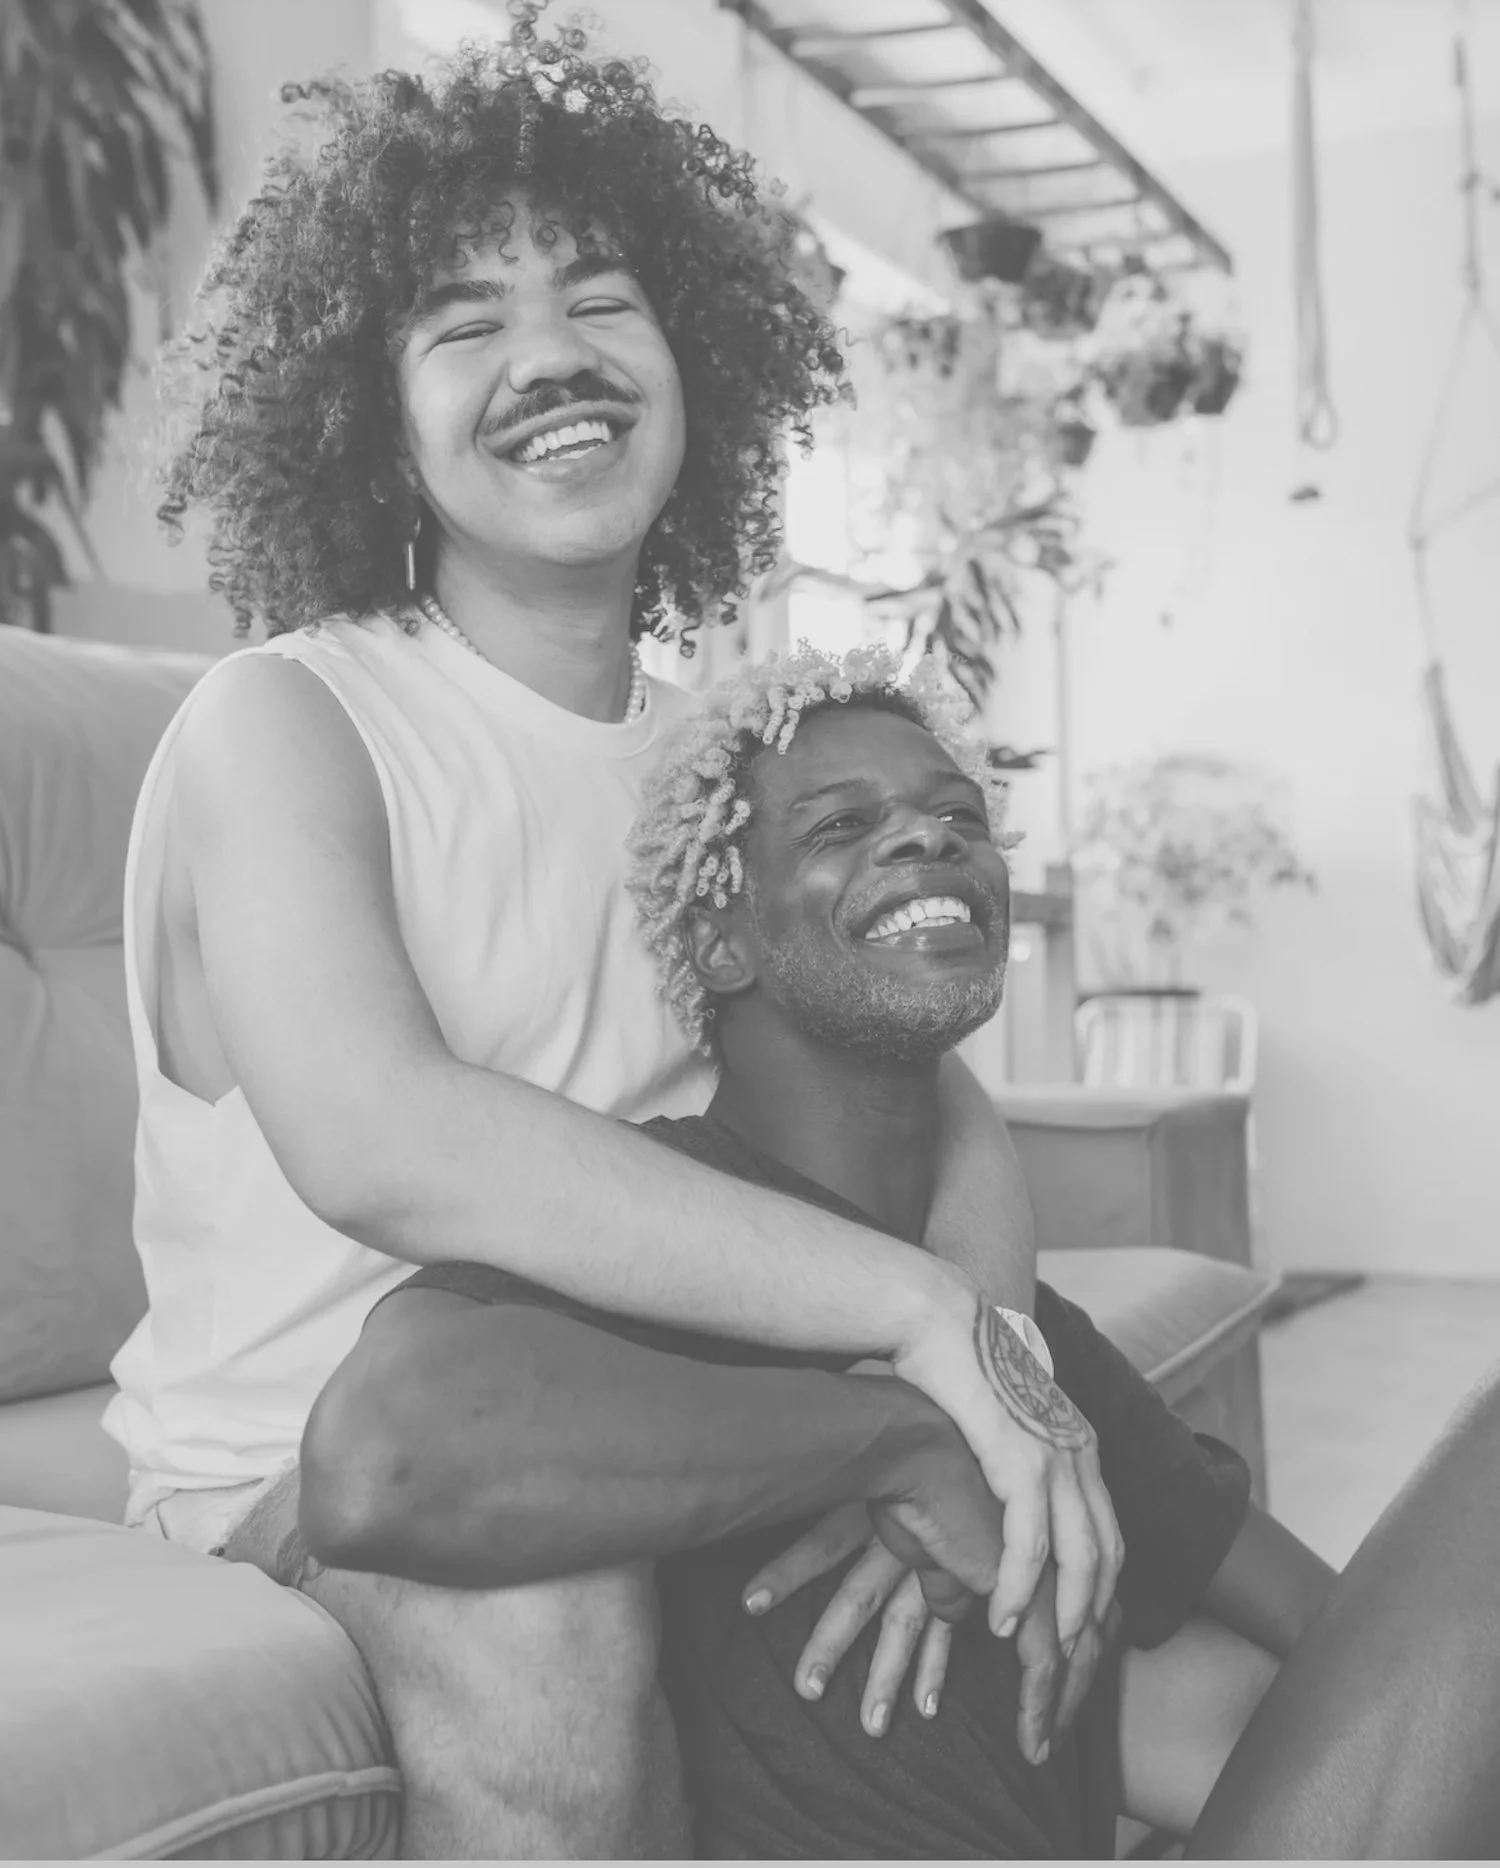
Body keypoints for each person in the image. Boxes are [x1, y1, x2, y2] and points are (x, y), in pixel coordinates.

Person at [110, 6, 1118, 1856]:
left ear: (695, 354)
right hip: (343, 1464)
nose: (547, 359)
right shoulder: (284, 724)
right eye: (462, 323)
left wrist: (985, 1368)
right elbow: (385, 1143)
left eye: (600, 298)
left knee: (1135, 1623)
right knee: (546, 1587)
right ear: (368, 408)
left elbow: (938, 1094)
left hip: (675, 1405)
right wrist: (907, 1323)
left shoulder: (710, 754)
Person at [301, 645, 1500, 1859]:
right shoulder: (666, 1227)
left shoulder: (1016, 1344)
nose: (927, 840)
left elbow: (1369, 1653)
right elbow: (376, 1460)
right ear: (724, 944)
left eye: (957, 817)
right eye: (843, 824)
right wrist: (895, 1447)